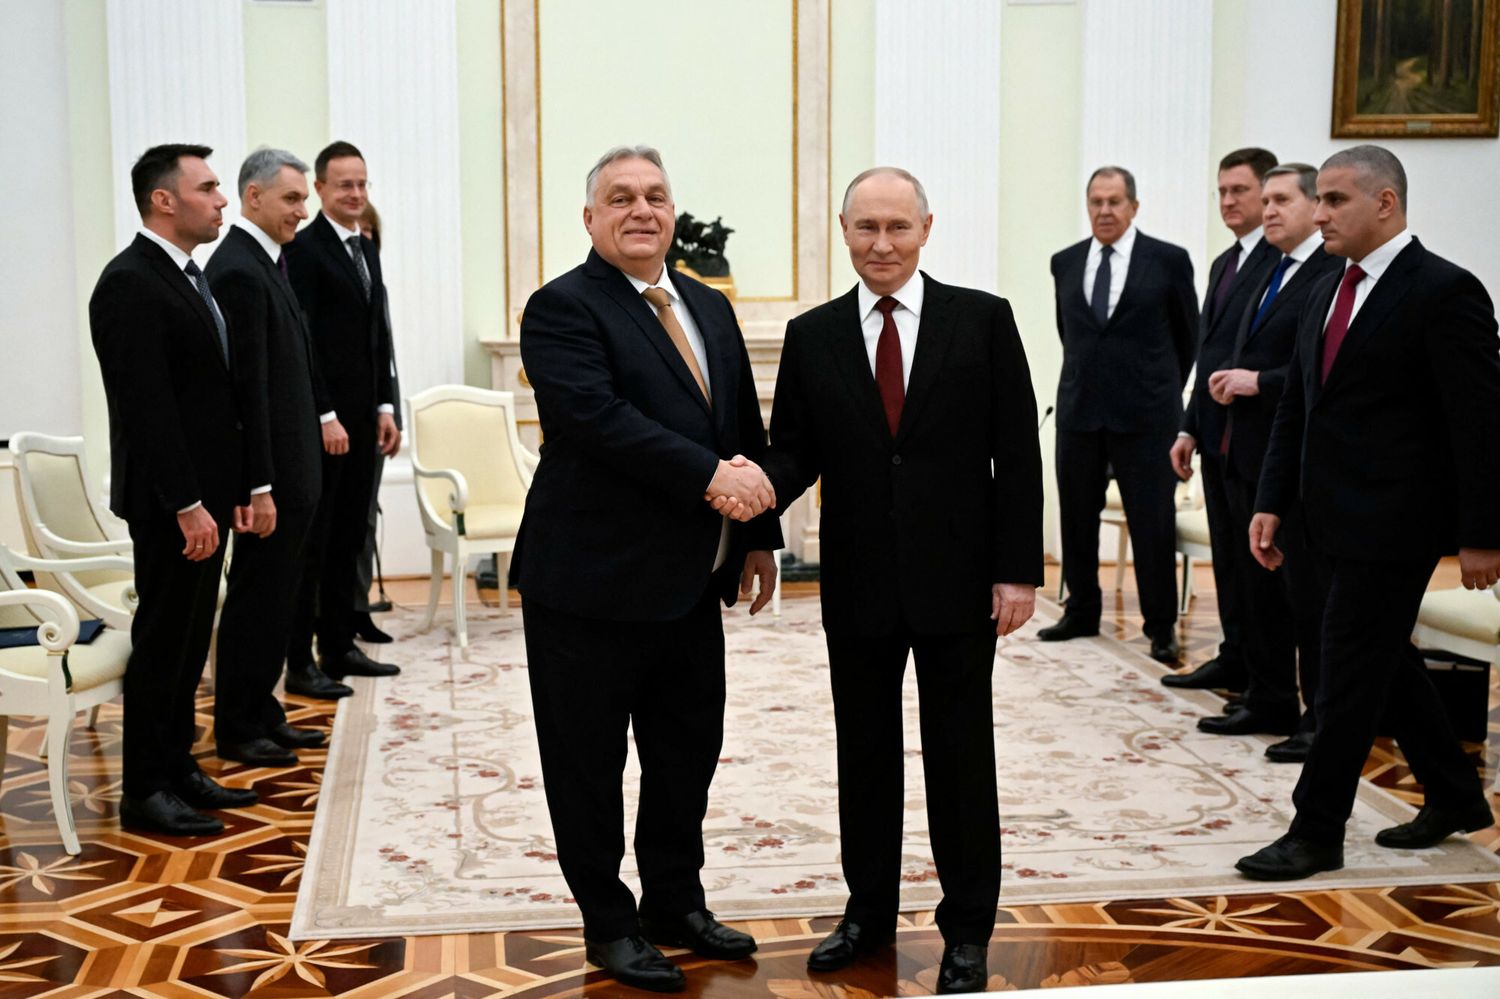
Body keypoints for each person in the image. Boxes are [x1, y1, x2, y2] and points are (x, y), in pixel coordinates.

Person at [744, 167, 1042, 994]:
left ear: (925, 229)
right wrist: (751, 505)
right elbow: (792, 453)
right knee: (865, 756)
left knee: (961, 760)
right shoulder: (813, 335)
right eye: (866, 227)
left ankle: (968, 931)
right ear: (844, 230)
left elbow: (1017, 452)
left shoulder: (982, 320)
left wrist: (1018, 570)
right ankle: (866, 914)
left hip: (961, 584)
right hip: (859, 584)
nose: (882, 243)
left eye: (897, 227)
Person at [512, 145, 783, 993]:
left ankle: (675, 902)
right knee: (588, 770)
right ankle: (609, 923)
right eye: (621, 197)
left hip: (690, 584)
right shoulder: (561, 307)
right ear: (590, 217)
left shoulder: (708, 303)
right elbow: (595, 419)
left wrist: (759, 533)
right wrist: (712, 477)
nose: (641, 210)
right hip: (587, 586)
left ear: (673, 212)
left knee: (684, 757)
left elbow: (739, 426)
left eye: (656, 196)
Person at [1237, 145, 1499, 881]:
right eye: (1318, 199)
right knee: (1383, 660)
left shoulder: (1445, 290)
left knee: (1345, 673)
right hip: (1321, 519)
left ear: (1385, 203)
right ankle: (1454, 795)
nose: (1319, 213)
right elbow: (1298, 407)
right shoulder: (1326, 287)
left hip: (1395, 525)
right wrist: (1271, 501)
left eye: (1334, 200)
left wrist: (1483, 533)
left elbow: (1481, 423)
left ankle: (1315, 829)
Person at [89, 144, 254, 835]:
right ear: (164, 200)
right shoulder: (130, 281)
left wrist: (229, 489)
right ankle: (145, 788)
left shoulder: (184, 275)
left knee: (189, 643)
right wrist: (187, 503)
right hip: (171, 504)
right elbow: (147, 409)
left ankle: (177, 765)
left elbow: (211, 398)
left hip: (203, 499)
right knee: (163, 641)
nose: (221, 200)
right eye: (208, 187)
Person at [1199, 163, 1341, 762]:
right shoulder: (1266, 269)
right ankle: (1269, 697)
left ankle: (1318, 719)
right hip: (1244, 452)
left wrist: (1261, 381)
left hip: (1296, 465)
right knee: (1256, 592)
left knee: (1302, 598)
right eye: (1269, 200)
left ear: (1312, 207)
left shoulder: (1330, 274)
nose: (1269, 210)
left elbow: (1323, 374)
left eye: (1282, 200)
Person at [207, 147, 343, 763]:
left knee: (278, 599)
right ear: (253, 196)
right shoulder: (238, 269)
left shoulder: (266, 262)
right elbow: (248, 391)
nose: (301, 211)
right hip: (274, 481)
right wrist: (258, 484)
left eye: (303, 199)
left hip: (293, 474)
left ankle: (263, 711)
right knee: (256, 602)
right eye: (291, 198)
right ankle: (239, 727)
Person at [1042, 166, 1198, 662]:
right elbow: (1071, 334)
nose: (1104, 210)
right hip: (1080, 412)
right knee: (1076, 519)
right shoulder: (1065, 262)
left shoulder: (1168, 260)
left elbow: (1188, 338)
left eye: (1114, 201)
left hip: (1147, 417)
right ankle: (1081, 611)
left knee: (1152, 524)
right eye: (1096, 201)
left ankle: (1161, 626)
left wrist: (1158, 390)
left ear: (1133, 206)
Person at [283, 140, 401, 687]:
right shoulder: (305, 250)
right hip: (325, 425)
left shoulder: (364, 248)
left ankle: (338, 646)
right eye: (344, 185)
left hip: (364, 421)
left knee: (351, 536)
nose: (355, 194)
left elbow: (377, 336)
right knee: (319, 543)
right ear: (320, 189)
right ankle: (302, 659)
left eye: (362, 184)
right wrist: (325, 413)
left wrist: (385, 406)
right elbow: (303, 343)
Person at [1165, 148, 1279, 698]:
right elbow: (1206, 353)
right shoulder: (1226, 263)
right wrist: (1189, 427)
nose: (1228, 201)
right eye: (1222, 192)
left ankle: (1264, 676)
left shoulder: (1281, 262)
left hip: (1257, 436)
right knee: (1229, 561)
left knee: (1256, 571)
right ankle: (1235, 657)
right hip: (1215, 435)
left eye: (1240, 191)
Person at [351, 199, 398, 644]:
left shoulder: (374, 284)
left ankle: (359, 607)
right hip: (345, 422)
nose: (361, 241)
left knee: (365, 521)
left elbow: (387, 360)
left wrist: (391, 411)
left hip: (377, 421)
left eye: (367, 234)